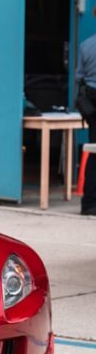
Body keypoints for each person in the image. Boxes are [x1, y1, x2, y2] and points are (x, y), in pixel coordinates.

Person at [76, 17, 96, 216]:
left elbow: (78, 77)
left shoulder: (85, 45)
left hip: (91, 101)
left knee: (94, 150)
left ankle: (89, 203)